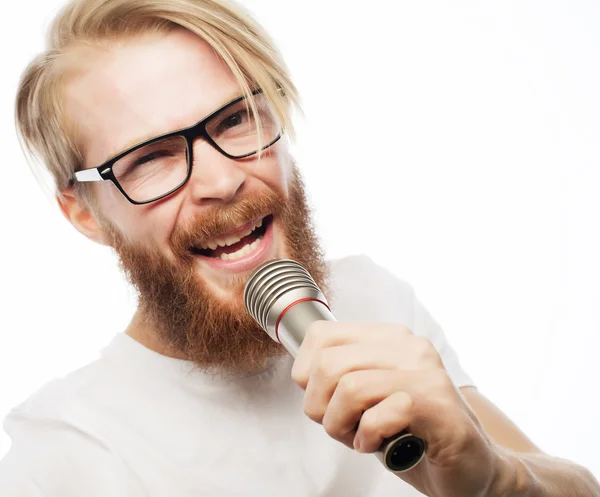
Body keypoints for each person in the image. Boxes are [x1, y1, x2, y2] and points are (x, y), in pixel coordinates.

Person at [2, 0, 598, 495]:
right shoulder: (63, 450)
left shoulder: (371, 298)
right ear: (84, 212)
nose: (222, 182)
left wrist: (494, 479)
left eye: (235, 119)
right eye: (151, 158)